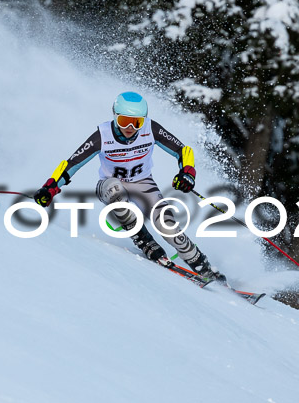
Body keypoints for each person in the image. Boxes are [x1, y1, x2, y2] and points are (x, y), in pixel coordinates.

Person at [34, 91, 226, 283]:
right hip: (109, 185)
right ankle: (142, 238)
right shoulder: (102, 135)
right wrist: (50, 187)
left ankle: (202, 266)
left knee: (166, 224)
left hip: (143, 183)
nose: (130, 128)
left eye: (137, 122)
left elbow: (183, 150)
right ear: (115, 116)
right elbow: (71, 164)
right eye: (124, 120)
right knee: (115, 190)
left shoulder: (151, 129)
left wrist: (187, 173)